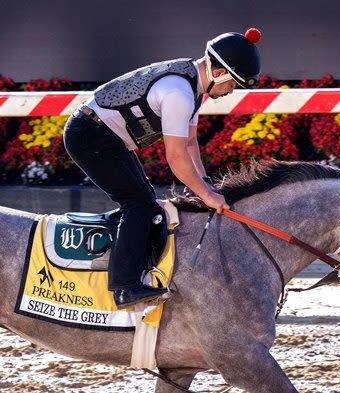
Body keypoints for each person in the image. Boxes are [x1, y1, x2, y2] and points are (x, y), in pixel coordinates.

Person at [63, 28, 262, 308]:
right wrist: (206, 196)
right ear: (219, 73)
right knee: (140, 205)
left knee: (145, 203)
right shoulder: (180, 93)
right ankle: (124, 287)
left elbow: (191, 142)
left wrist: (206, 184)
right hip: (90, 136)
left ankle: (126, 264)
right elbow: (177, 157)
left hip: (105, 136)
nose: (231, 92)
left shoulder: (193, 85)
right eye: (233, 85)